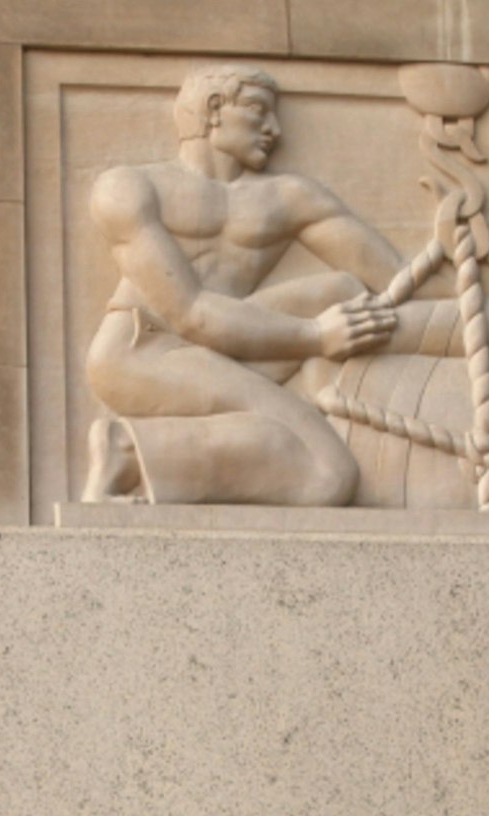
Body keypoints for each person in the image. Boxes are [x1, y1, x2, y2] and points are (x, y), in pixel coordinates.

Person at [79, 64, 409, 505]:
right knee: (329, 473)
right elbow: (189, 313)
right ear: (214, 109)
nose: (274, 129)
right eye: (257, 109)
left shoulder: (290, 196)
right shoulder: (129, 188)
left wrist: (461, 251)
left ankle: (232, 427)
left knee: (343, 290)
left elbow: (399, 280)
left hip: (220, 348)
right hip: (144, 351)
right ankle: (127, 452)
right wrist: (316, 336)